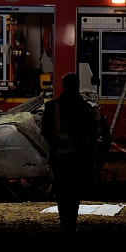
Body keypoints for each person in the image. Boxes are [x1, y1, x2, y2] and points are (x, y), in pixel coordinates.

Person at [41, 72, 100, 235]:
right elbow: (94, 134)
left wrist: (55, 144)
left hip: (60, 160)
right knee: (74, 193)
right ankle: (71, 223)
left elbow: (44, 131)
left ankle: (65, 223)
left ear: (62, 86)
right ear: (78, 86)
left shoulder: (52, 107)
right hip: (80, 160)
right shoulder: (86, 108)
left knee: (63, 193)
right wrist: (90, 156)